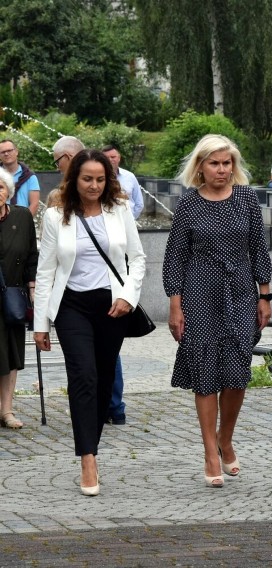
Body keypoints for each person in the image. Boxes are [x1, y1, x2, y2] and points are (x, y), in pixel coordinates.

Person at [33, 149, 146, 496]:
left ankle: (91, 444)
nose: (94, 185)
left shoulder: (120, 209)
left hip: (112, 305)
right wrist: (41, 323)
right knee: (82, 376)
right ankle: (88, 458)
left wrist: (128, 297)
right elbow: (46, 270)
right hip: (71, 307)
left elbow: (137, 259)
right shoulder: (55, 216)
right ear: (73, 179)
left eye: (100, 179)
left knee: (103, 378)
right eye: (87, 179)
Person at [163, 134, 272, 488]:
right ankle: (211, 450)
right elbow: (175, 256)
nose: (222, 170)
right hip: (199, 293)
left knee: (238, 371)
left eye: (227, 163)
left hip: (241, 291)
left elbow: (259, 247)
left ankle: (226, 438)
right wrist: (175, 304)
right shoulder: (189, 204)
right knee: (206, 369)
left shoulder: (246, 199)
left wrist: (264, 294)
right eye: (214, 163)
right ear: (200, 167)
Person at [102, 144, 144, 426]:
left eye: (114, 157)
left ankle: (115, 406)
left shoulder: (128, 183)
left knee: (110, 350)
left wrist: (128, 295)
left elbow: (138, 205)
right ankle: (100, 405)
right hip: (81, 296)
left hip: (115, 285)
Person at [0, 169, 37, 430]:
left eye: (1, 187)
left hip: (12, 295)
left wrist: (33, 287)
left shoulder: (22, 217)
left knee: (10, 354)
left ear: (8, 191)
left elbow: (32, 255)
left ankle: (7, 410)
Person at [0, 139, 40, 217]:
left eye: (9, 150)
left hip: (23, 220)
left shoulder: (30, 177)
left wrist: (24, 222)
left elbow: (34, 204)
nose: (6, 154)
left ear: (16, 152)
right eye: (2, 152)